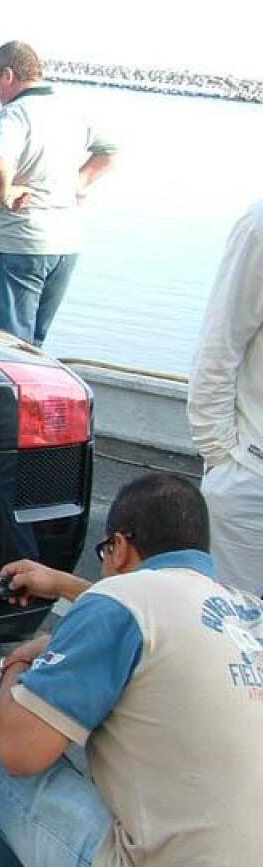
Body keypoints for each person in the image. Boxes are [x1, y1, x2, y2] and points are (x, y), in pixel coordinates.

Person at [0, 473, 263, 867]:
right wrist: (67, 586)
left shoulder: (119, 603)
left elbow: (20, 751)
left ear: (119, 546)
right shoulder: (244, 613)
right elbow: (153, 610)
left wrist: (20, 663)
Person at [0, 41, 119, 347]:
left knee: (8, 347)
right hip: (64, 246)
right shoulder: (73, 109)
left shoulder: (14, 114)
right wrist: (80, 183)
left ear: (8, 74)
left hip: (19, 243)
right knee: (34, 346)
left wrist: (5, 194)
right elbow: (110, 151)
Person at [188, 201, 263, 596]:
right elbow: (218, 349)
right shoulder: (259, 226)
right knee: (235, 632)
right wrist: (224, 461)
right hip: (253, 478)